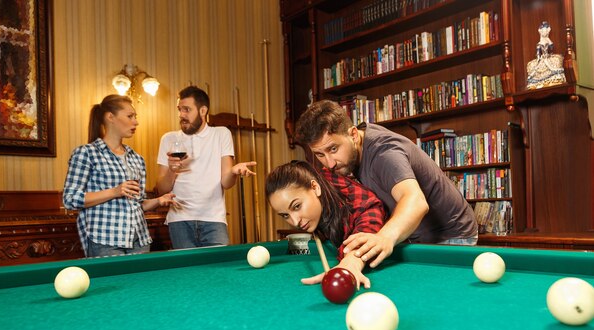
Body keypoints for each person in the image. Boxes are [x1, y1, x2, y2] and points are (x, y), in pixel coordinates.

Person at [294, 100, 478, 268]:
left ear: (353, 135)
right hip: (415, 238)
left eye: (333, 149)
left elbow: (415, 201)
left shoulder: (385, 153)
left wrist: (384, 237)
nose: (330, 163)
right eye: (320, 155)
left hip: (453, 236)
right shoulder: (349, 156)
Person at [63, 94, 178, 258]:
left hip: (140, 240)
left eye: (135, 117)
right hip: (105, 241)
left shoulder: (137, 159)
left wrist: (159, 200)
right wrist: (114, 191)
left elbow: (137, 205)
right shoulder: (86, 153)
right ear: (110, 117)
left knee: (140, 285)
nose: (136, 122)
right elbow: (70, 199)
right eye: (130, 116)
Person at [156, 86, 256, 249]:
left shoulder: (221, 134)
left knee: (219, 271)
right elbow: (161, 189)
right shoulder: (168, 139)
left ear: (203, 111)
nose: (181, 115)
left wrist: (233, 172)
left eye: (187, 110)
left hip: (213, 219)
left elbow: (226, 183)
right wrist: (172, 171)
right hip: (179, 221)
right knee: (188, 273)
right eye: (179, 110)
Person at [266, 160, 386, 288]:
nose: (295, 222)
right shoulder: (317, 205)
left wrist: (351, 263)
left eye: (297, 206)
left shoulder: (354, 200)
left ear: (315, 188)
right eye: (285, 215)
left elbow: (367, 225)